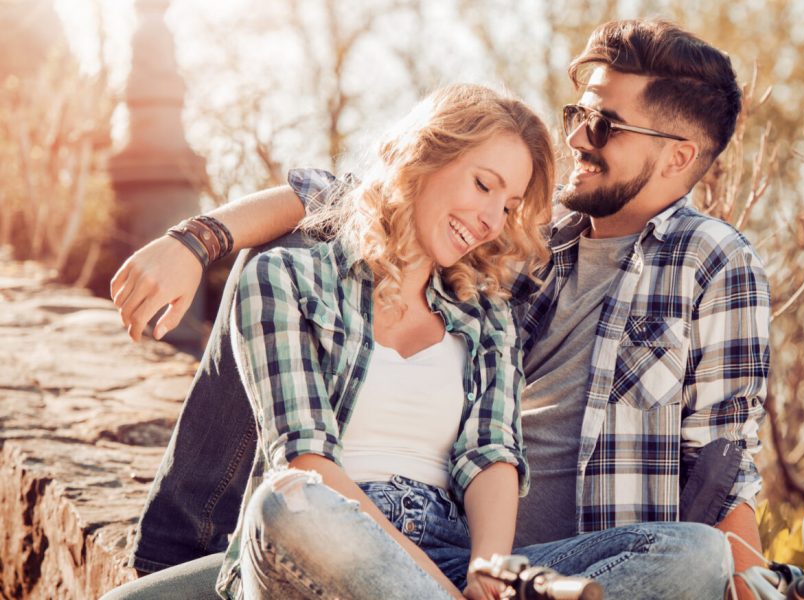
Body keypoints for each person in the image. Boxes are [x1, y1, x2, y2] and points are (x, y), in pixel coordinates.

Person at [110, 18, 770, 599]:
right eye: (577, 115)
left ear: (679, 155)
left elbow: (722, 464)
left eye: (603, 123)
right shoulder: (534, 240)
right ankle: (183, 547)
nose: (577, 139)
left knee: (696, 555)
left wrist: (750, 578)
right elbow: (350, 197)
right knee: (286, 504)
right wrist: (196, 240)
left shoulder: (710, 260)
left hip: (536, 568)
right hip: (363, 541)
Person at [105, 83, 555, 600]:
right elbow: (306, 462)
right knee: (291, 500)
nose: (492, 221)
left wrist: (487, 569)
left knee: (666, 549)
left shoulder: (487, 313)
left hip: (451, 552)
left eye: (509, 205)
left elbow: (491, 451)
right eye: (483, 185)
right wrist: (196, 240)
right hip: (319, 537)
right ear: (425, 155)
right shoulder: (289, 279)